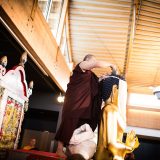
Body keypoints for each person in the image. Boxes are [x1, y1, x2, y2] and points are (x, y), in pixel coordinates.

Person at [55, 54, 115, 157]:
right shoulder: (81, 67)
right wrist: (111, 64)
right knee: (69, 125)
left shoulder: (91, 76)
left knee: (79, 129)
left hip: (86, 108)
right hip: (75, 104)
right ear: (87, 60)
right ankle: (59, 149)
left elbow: (95, 86)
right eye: (92, 61)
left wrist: (101, 79)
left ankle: (74, 152)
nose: (93, 63)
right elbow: (95, 64)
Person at [95, 70, 139, 160]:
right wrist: (129, 147)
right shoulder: (110, 110)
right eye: (122, 92)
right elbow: (111, 144)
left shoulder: (108, 109)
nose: (123, 97)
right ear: (115, 90)